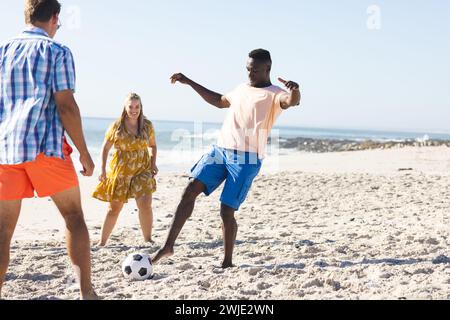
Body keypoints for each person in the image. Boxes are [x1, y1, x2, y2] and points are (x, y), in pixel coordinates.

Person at [153, 49, 301, 268]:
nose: (250, 73)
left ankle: (227, 261)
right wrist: (188, 81)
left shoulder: (275, 94)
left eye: (255, 70)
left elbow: (292, 102)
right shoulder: (241, 88)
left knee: (226, 210)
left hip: (247, 159)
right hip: (220, 151)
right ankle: (168, 246)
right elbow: (219, 100)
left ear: (267, 69)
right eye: (248, 69)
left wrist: (295, 90)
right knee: (190, 189)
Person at [0, 0, 97, 299]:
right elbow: (66, 106)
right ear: (54, 18)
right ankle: (86, 293)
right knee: (73, 217)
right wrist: (84, 151)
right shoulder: (57, 51)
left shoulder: (2, 52)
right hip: (44, 147)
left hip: (5, 151)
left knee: (3, 229)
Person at [92, 93, 158, 246]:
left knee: (145, 204)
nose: (134, 110)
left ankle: (148, 239)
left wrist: (153, 163)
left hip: (142, 168)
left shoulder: (147, 125)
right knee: (114, 208)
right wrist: (102, 170)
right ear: (125, 107)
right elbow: (105, 148)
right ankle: (102, 242)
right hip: (121, 170)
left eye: (137, 106)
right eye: (131, 106)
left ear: (141, 107)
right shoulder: (117, 126)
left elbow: (153, 145)